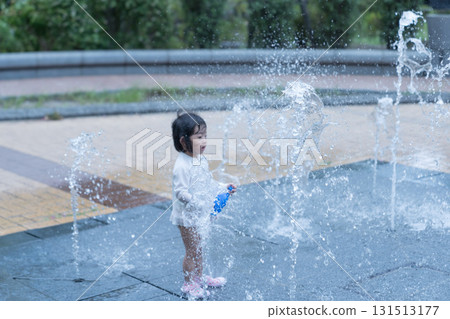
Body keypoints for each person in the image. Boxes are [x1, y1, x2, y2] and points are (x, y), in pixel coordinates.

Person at [170, 111, 237, 299]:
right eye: (199, 137)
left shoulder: (200, 159)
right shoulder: (182, 165)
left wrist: (223, 187)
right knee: (191, 250)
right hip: (186, 216)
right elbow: (180, 193)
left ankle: (199, 277)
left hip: (198, 212)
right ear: (183, 141)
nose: (204, 141)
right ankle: (189, 284)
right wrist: (199, 203)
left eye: (205, 136)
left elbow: (207, 182)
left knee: (199, 247)